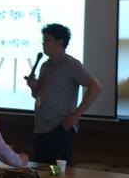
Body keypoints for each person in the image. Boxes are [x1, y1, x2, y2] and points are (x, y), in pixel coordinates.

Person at [24, 23, 102, 166]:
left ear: (60, 43)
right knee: (41, 173)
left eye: (47, 40)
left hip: (60, 129)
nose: (43, 43)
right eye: (43, 40)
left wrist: (75, 117)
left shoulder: (71, 64)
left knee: (58, 176)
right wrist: (34, 87)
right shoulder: (45, 66)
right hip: (40, 129)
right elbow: (39, 96)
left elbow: (95, 86)